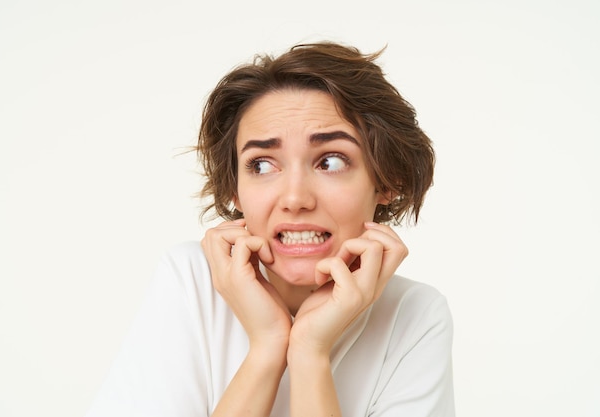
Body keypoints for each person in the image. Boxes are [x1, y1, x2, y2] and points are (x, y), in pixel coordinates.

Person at [85, 42, 455, 417]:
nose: (295, 198)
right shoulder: (191, 280)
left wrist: (310, 352)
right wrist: (267, 346)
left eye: (330, 162)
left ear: (386, 180)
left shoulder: (414, 315)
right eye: (262, 165)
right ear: (235, 190)